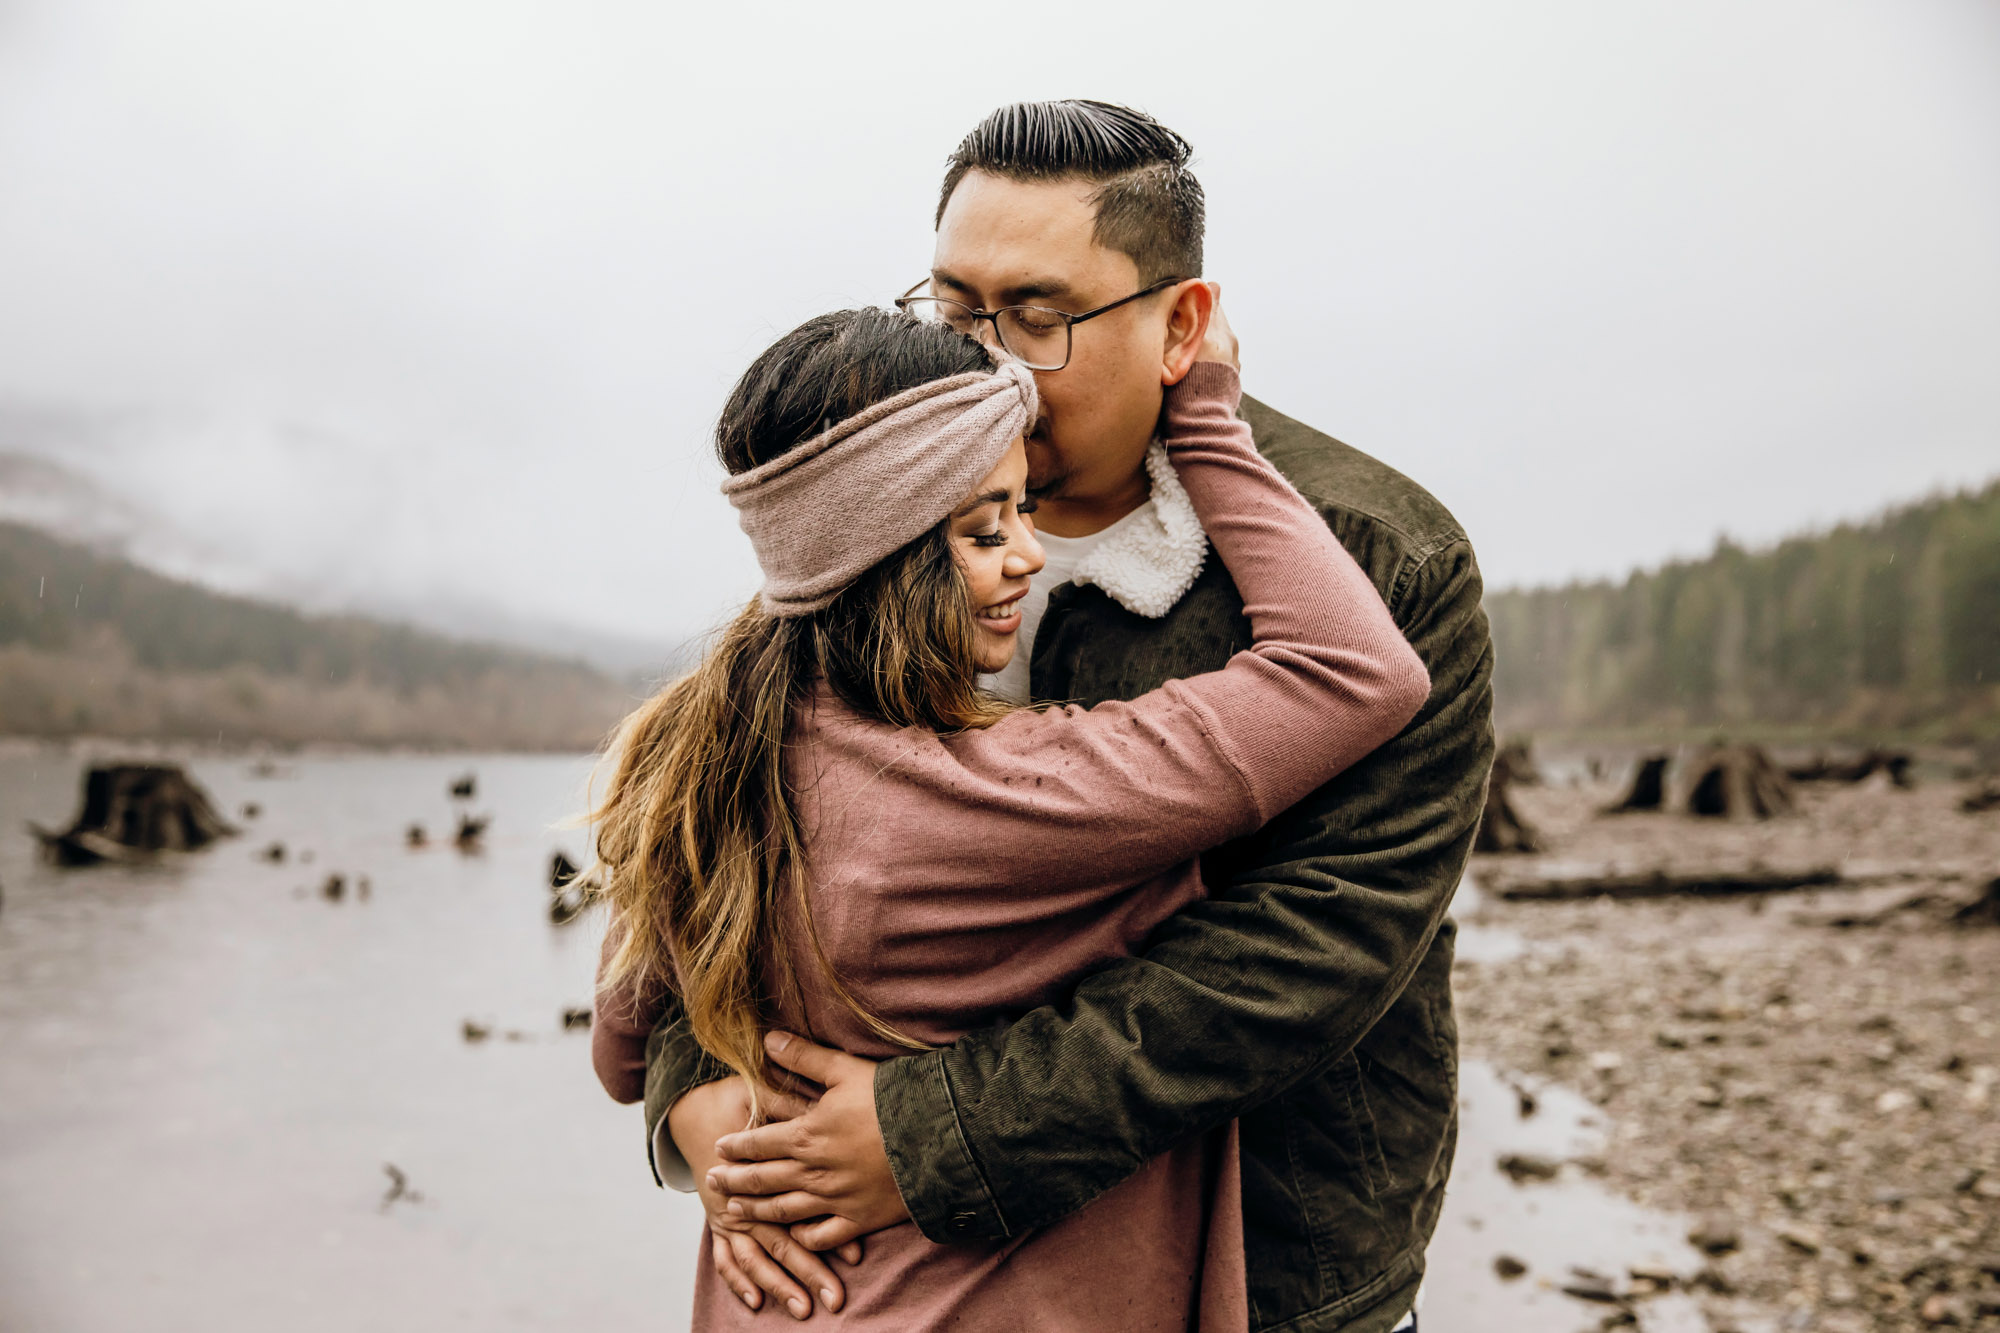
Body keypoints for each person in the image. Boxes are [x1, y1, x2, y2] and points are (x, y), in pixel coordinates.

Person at [650, 101, 1495, 1333]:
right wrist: (700, 1100)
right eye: (952, 312)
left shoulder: (1378, 558)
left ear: (1182, 324)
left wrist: (928, 1135)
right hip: (879, 1280)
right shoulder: (882, 491)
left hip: (1274, 1270)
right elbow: (708, 835)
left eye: (1038, 322)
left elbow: (1317, 944)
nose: (989, 362)